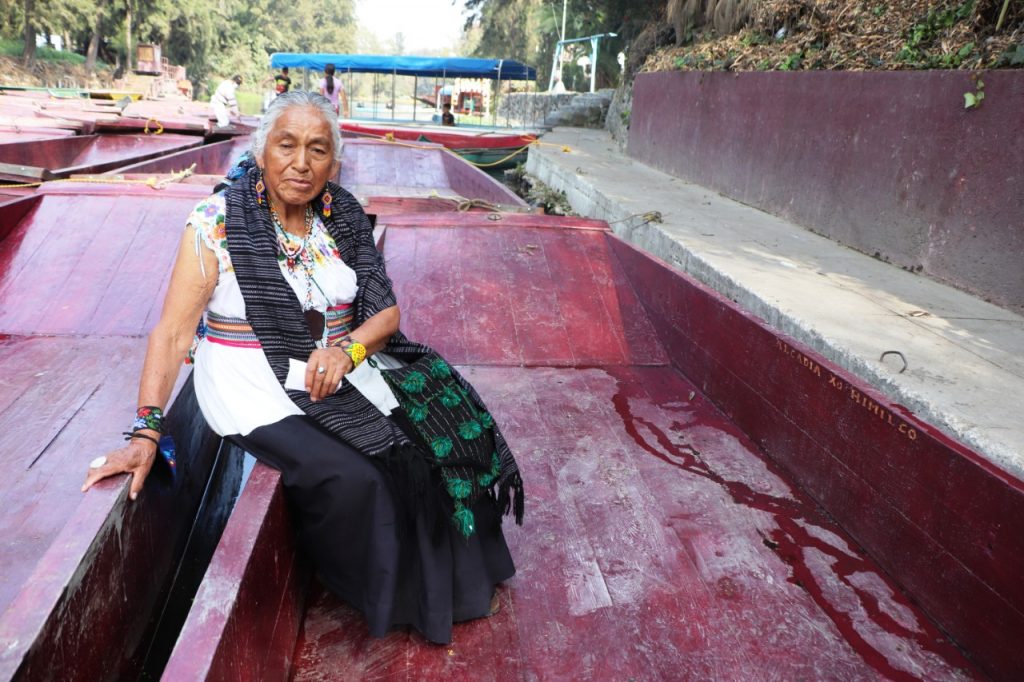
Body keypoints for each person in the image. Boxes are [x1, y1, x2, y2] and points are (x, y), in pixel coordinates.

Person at [81, 90, 523, 644]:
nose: (301, 163)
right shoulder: (215, 222)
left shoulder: (340, 214)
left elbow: (384, 312)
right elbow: (171, 334)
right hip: (250, 383)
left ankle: (457, 583)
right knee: (358, 477)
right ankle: (395, 596)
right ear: (261, 150)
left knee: (433, 440)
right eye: (286, 145)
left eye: (317, 149)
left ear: (333, 161)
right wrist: (147, 430)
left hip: (338, 368)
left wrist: (348, 351)